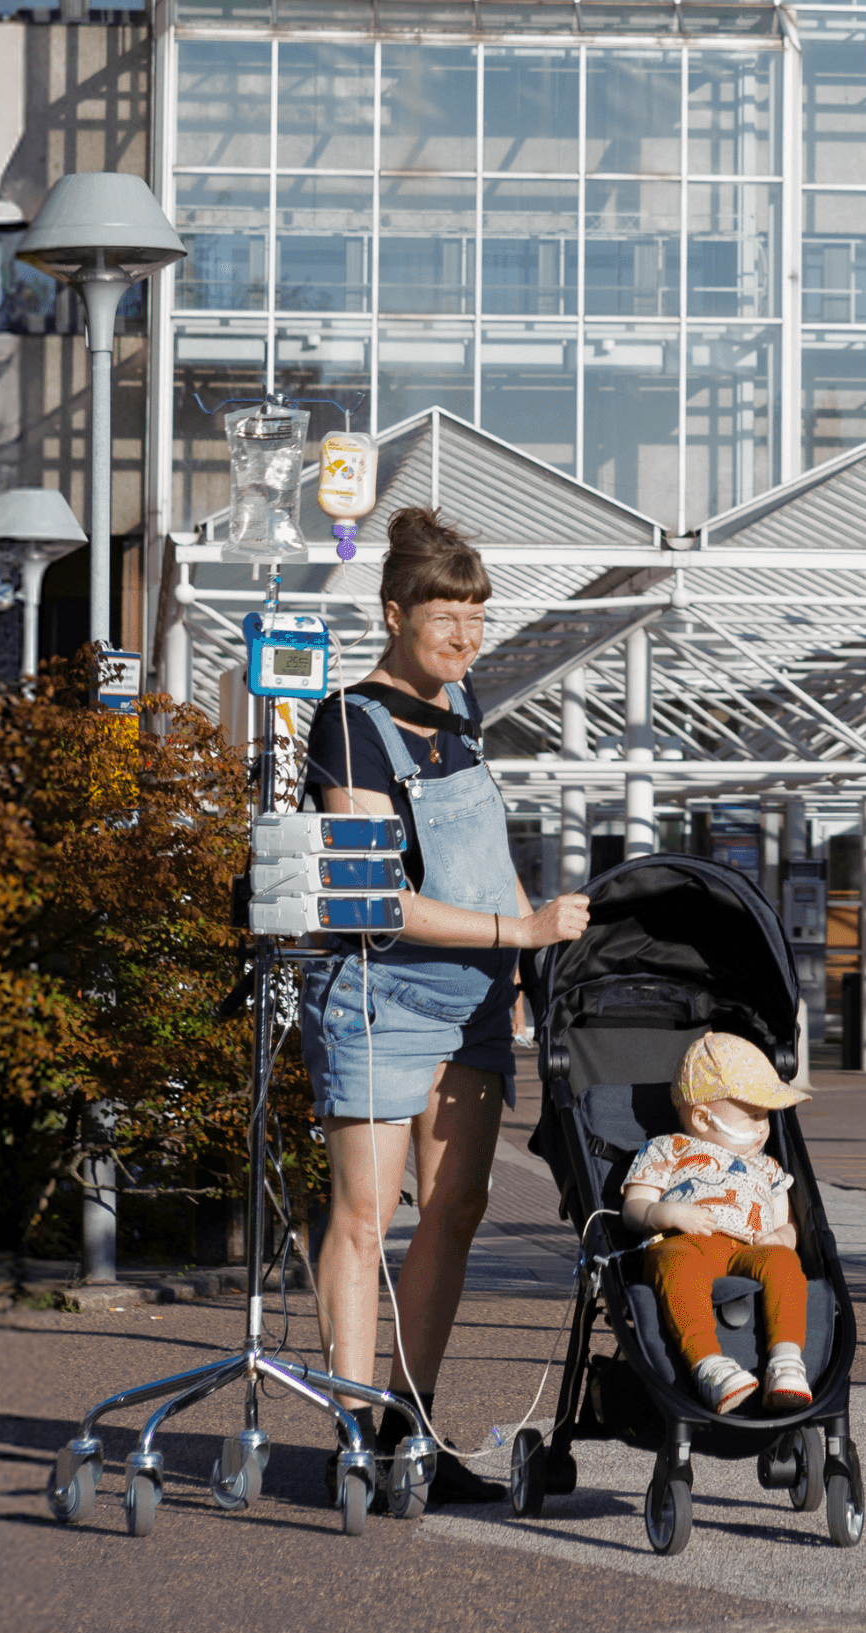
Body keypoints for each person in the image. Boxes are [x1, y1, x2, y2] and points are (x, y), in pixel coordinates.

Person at [300, 505, 589, 1504]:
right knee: (365, 1212)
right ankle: (350, 1431)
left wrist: (531, 960)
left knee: (455, 1209)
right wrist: (521, 933)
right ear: (393, 615)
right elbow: (376, 898)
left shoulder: (462, 721)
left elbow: (487, 865)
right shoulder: (350, 724)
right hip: (377, 993)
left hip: (470, 1002)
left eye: (476, 614)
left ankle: (407, 1432)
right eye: (444, 616)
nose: (464, 635)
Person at [619, 1031, 817, 1413]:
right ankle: (708, 1365)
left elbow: (787, 1223)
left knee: (785, 1263)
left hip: (748, 1249)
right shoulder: (669, 1148)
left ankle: (786, 1362)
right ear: (702, 1118)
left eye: (767, 1117)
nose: (764, 1128)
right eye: (755, 1115)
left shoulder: (769, 1167)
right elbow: (634, 1208)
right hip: (683, 1241)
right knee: (675, 1262)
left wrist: (782, 1237)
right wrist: (666, 1213)